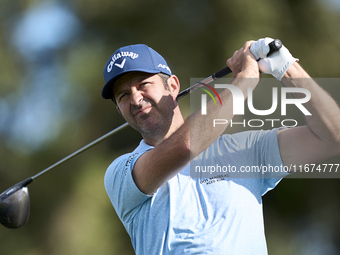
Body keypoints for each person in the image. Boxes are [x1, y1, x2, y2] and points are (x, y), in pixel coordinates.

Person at [101, 39, 340, 254]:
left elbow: (333, 136)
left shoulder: (246, 148)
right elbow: (185, 147)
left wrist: (286, 66)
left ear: (173, 86)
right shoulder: (120, 173)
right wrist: (244, 81)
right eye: (123, 95)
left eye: (143, 84)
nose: (135, 99)